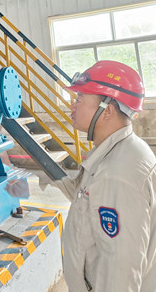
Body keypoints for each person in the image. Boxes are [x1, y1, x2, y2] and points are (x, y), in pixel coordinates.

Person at [55, 60, 156, 291]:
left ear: (107, 110)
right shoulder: (121, 151)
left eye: (80, 99)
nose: (73, 105)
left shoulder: (117, 175)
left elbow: (120, 271)